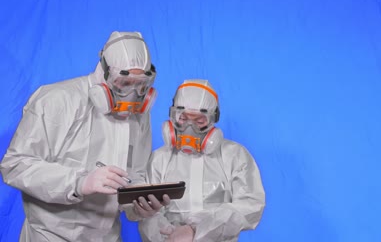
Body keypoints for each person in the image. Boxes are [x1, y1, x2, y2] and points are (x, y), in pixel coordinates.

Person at [0, 31, 169, 241]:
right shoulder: (57, 100)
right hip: (50, 236)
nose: (133, 94)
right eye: (124, 83)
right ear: (105, 72)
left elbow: (134, 175)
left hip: (108, 236)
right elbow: (15, 165)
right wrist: (79, 182)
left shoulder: (138, 116)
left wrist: (139, 206)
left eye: (141, 85)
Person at [139, 79, 266, 242]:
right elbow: (149, 215)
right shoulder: (159, 159)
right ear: (173, 115)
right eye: (183, 118)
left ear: (213, 119)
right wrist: (170, 237)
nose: (189, 127)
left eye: (199, 121)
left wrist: (195, 231)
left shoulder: (234, 156)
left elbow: (250, 206)